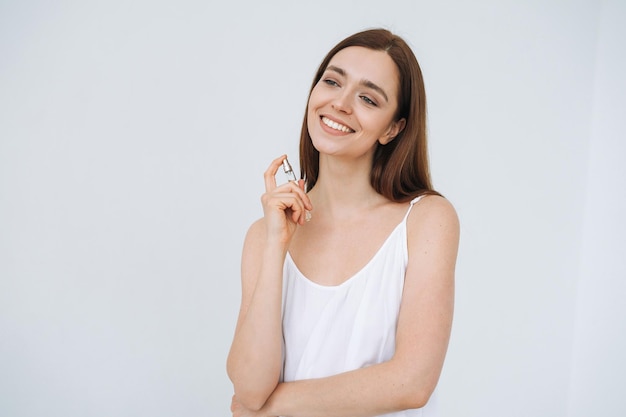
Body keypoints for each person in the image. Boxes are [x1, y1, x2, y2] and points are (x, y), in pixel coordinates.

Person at [226, 28, 460, 417]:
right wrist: (274, 246)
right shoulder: (264, 234)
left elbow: (412, 382)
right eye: (332, 81)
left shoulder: (426, 221)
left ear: (393, 128)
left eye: (368, 98)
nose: (340, 103)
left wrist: (268, 410)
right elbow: (249, 387)